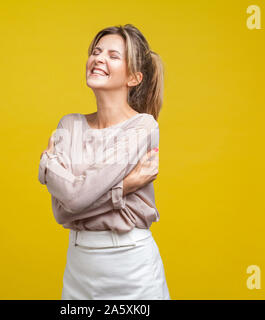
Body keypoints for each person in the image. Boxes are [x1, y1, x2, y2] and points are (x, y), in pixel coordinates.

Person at [38, 24, 170, 300]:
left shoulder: (142, 127)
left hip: (131, 265)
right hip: (79, 267)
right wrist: (124, 187)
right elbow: (62, 213)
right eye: (95, 52)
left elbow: (73, 201)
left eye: (113, 55)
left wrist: (47, 167)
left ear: (133, 77)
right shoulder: (70, 124)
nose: (98, 59)